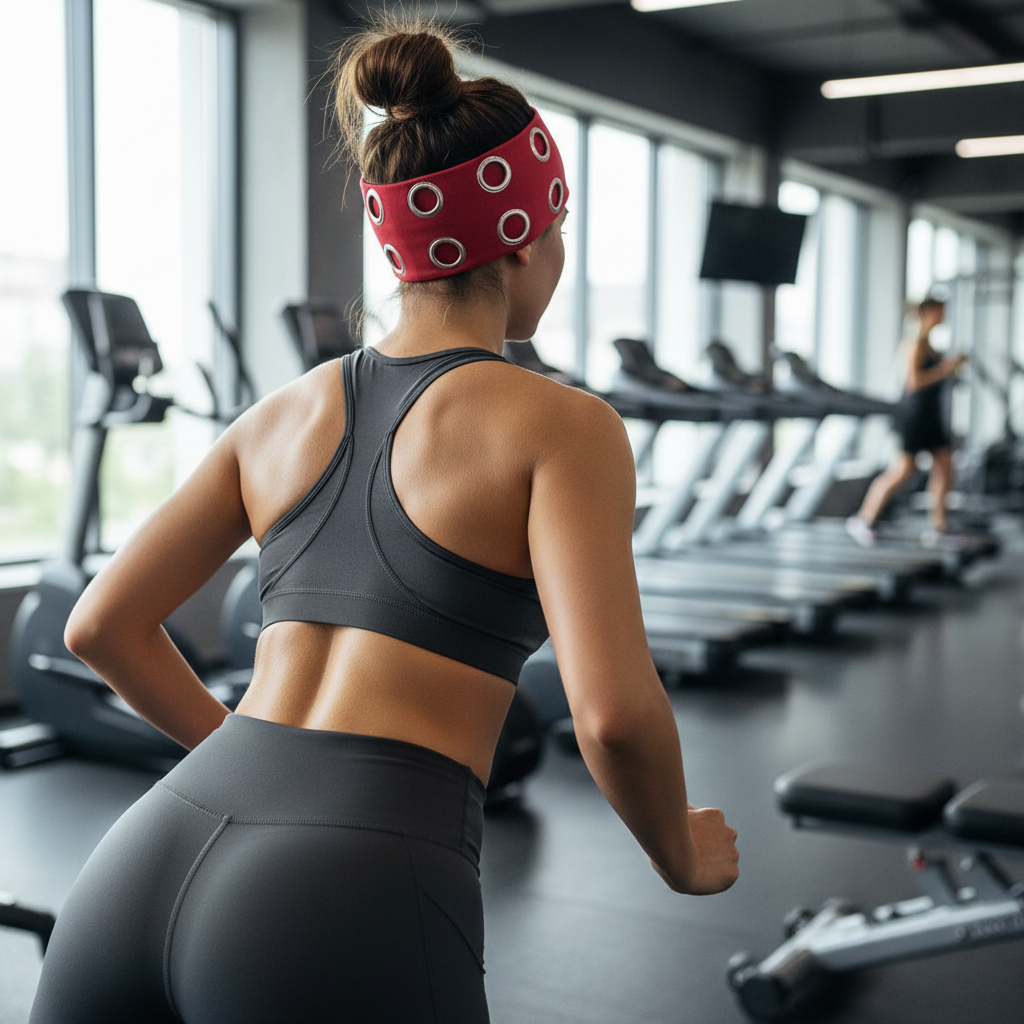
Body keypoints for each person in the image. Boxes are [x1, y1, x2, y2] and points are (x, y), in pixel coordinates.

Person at [28, 17, 738, 1024]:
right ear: (529, 237)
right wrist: (681, 852)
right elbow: (613, 717)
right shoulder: (564, 426)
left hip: (139, 864)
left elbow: (98, 625)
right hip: (347, 885)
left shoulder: (278, 414)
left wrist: (240, 759)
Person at [846, 296, 967, 546]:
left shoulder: (930, 344)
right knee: (903, 471)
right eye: (941, 311)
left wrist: (950, 368)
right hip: (914, 416)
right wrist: (946, 369)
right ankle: (863, 519)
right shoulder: (915, 343)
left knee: (945, 468)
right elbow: (914, 382)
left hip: (932, 416)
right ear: (929, 312)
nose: (945, 316)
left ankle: (940, 526)